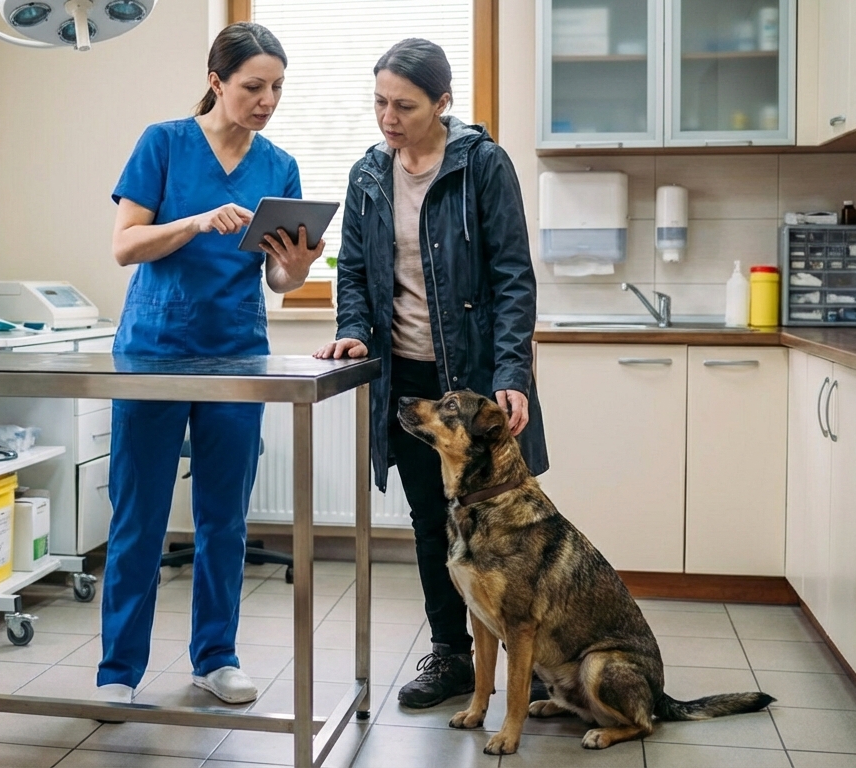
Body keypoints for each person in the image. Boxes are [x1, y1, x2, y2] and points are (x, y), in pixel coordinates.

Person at [314, 38, 549, 709]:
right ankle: (452, 656)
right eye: (380, 102)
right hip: (408, 386)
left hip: (475, 384)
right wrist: (353, 331)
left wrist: (513, 373)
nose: (389, 116)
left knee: (506, 524)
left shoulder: (482, 166)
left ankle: (532, 661)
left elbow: (512, 278)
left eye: (405, 105)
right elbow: (354, 273)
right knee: (430, 525)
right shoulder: (367, 174)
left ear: (442, 103)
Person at [99, 22, 324, 706]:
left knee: (224, 518)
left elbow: (279, 284)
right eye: (254, 86)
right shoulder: (163, 143)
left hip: (235, 353)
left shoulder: (278, 165)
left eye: (277, 88)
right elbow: (124, 246)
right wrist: (194, 222)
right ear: (216, 80)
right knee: (138, 519)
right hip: (153, 353)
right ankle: (118, 672)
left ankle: (216, 657)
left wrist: (294, 268)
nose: (267, 100)